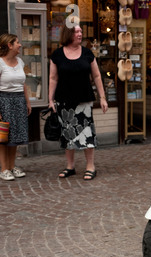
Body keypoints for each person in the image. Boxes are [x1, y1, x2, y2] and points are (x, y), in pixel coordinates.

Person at [48, 24, 108, 181]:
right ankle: (70, 166)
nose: (80, 34)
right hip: (64, 101)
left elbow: (96, 76)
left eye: (81, 31)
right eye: (76, 31)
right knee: (68, 134)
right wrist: (50, 99)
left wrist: (102, 97)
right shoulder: (57, 55)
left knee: (87, 134)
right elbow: (53, 78)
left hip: (84, 101)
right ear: (69, 34)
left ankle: (90, 166)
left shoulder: (87, 54)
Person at [0, 33, 31, 181]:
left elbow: (23, 84)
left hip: (19, 100)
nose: (20, 45)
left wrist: (27, 102)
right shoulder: (0, 63)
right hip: (4, 101)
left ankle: (12, 166)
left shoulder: (20, 61)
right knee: (3, 137)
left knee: (16, 136)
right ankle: (4, 168)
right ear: (9, 45)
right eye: (17, 42)